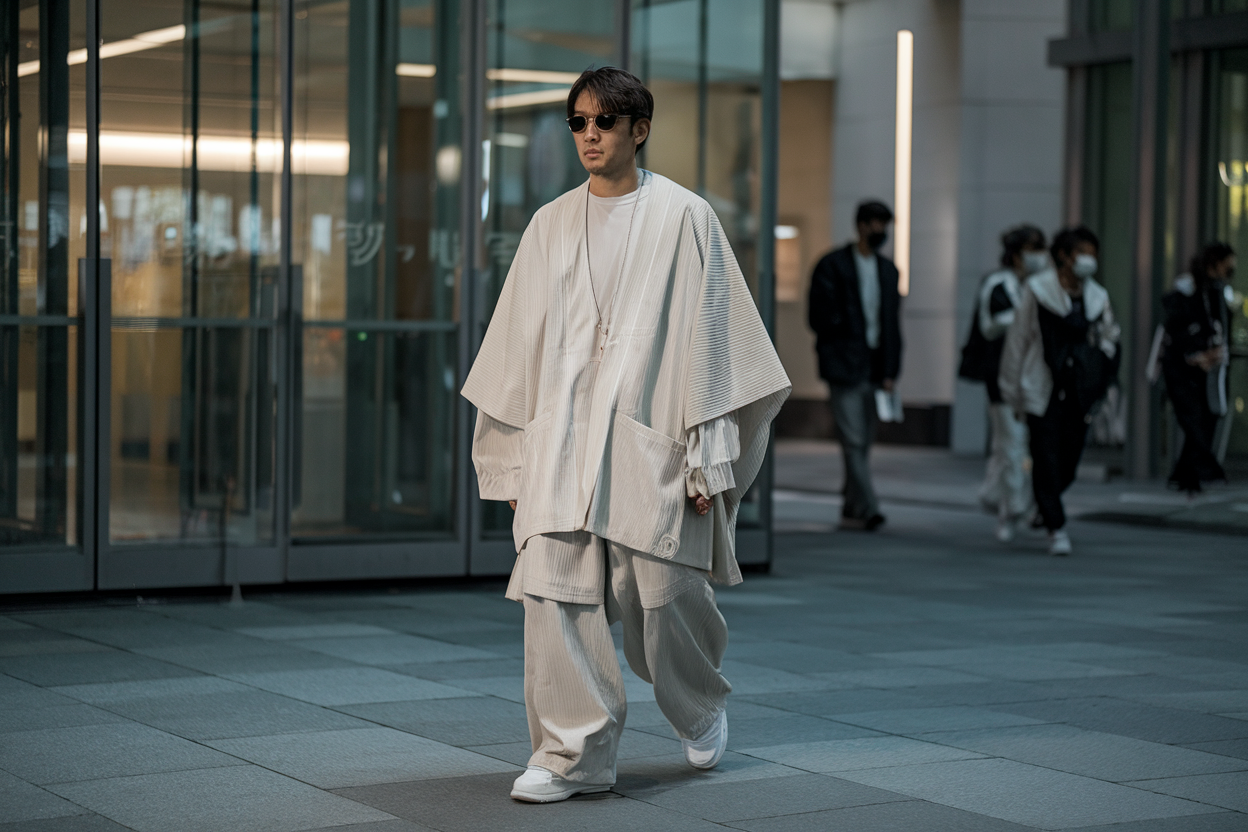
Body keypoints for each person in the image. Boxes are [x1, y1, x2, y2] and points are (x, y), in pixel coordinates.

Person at [461, 67, 790, 803]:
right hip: (562, 444)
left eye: (603, 122)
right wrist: (513, 465)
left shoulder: (685, 217)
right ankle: (567, 754)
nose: (589, 136)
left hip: (651, 440)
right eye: (578, 122)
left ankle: (699, 704)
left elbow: (713, 341)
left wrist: (710, 457)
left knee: (665, 594)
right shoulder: (549, 224)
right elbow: (515, 346)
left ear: (638, 129)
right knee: (554, 592)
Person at [999, 226, 1120, 556]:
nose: (1088, 260)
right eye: (1082, 253)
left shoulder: (1097, 297)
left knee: (1069, 459)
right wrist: (1011, 391)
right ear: (1064, 257)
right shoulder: (1037, 291)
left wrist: (1103, 366)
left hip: (1080, 389)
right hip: (1042, 386)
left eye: (1092, 253)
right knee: (1046, 456)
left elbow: (1110, 336)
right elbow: (1018, 342)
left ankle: (1043, 502)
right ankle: (1056, 525)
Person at [807, 201, 903, 531]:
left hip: (875, 368)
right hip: (844, 366)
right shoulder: (832, 265)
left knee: (863, 440)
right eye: (876, 224)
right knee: (854, 439)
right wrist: (841, 336)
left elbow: (891, 324)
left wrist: (891, 370)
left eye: (884, 225)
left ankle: (851, 505)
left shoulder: (888, 271)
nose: (881, 232)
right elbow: (818, 316)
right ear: (861, 225)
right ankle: (870, 507)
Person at [959, 225, 1047, 542]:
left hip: (1031, 376)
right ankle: (1013, 507)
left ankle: (996, 498)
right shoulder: (999, 284)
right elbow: (989, 326)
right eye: (1032, 248)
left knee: (1008, 444)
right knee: (1011, 443)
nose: (1038, 255)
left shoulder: (1036, 285)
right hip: (1003, 377)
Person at [1161, 242, 1236, 493]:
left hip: (1209, 370)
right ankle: (1204, 468)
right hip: (1183, 370)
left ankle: (1184, 475)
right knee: (1194, 421)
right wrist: (1198, 352)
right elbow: (1177, 333)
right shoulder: (1186, 292)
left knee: (1205, 420)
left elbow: (1221, 327)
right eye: (1227, 268)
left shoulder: (1218, 293)